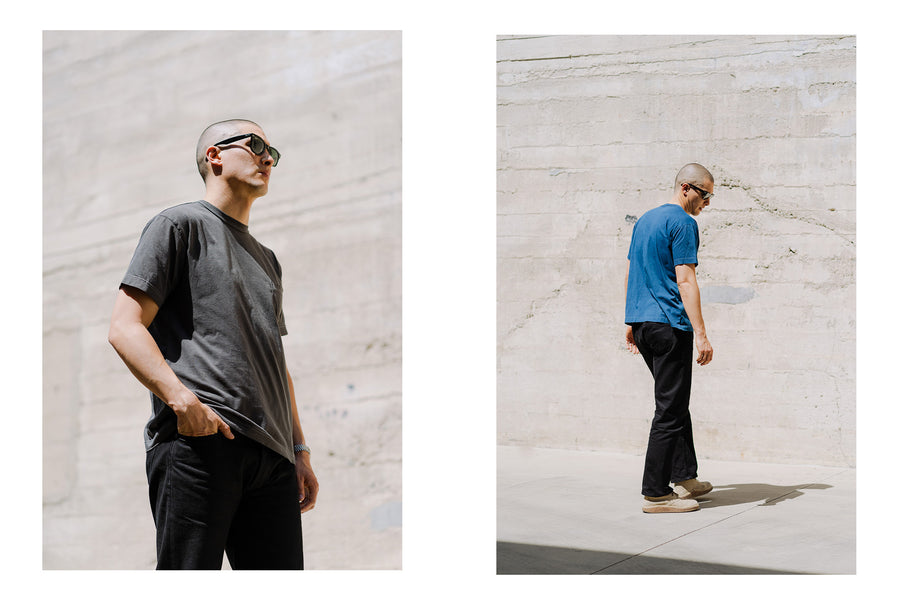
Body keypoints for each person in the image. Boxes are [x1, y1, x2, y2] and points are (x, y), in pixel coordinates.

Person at [108, 119, 318, 568]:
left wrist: (298, 450)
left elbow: (274, 363)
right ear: (215, 156)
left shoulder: (269, 260)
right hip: (202, 442)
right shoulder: (178, 224)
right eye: (256, 145)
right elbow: (125, 327)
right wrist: (183, 402)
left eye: (273, 153)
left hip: (273, 459)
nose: (268, 158)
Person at [624, 163, 715, 514]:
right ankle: (656, 492)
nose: (706, 203)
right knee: (669, 410)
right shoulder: (683, 223)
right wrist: (702, 335)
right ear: (687, 188)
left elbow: (634, 269)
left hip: (645, 323)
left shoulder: (644, 221)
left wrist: (631, 320)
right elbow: (686, 280)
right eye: (705, 195)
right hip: (670, 324)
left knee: (674, 404)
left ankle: (685, 476)